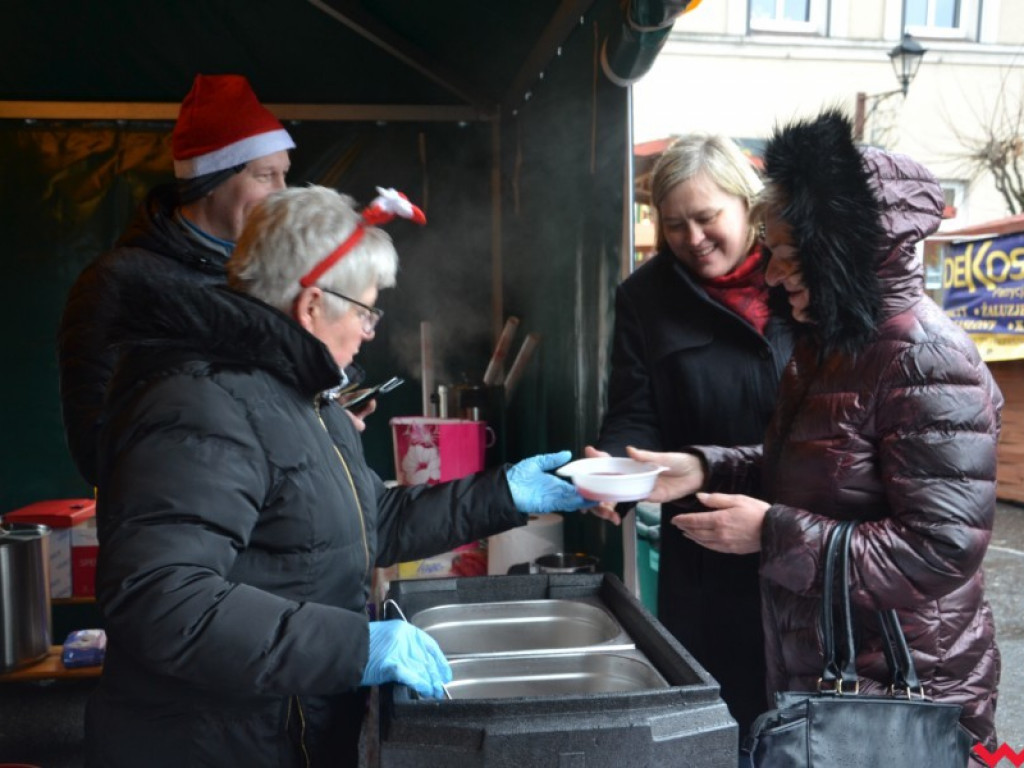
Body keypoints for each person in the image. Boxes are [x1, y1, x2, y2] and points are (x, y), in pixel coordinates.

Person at [82, 184, 593, 768]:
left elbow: (370, 523)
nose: (371, 330)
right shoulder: (201, 402)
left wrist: (503, 492)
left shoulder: (305, 398)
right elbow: (162, 599)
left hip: (286, 725)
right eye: (367, 310)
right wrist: (352, 647)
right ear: (312, 306)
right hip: (213, 742)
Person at [625, 109, 1002, 757]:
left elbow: (941, 549)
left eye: (788, 257)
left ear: (842, 253)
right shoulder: (833, 341)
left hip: (900, 688)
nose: (770, 274)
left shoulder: (927, 358)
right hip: (842, 671)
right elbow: (816, 464)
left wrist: (771, 532)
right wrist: (705, 467)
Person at [588, 134, 795, 736]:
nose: (693, 239)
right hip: (704, 543)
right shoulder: (644, 298)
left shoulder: (802, 280)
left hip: (802, 529)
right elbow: (634, 409)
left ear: (747, 206)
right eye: (674, 224)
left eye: (707, 218)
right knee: (720, 719)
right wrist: (616, 474)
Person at [58, 73, 302, 488]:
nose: (283, 193)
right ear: (211, 180)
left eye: (284, 174)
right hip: (182, 533)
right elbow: (98, 447)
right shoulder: (117, 282)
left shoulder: (271, 279)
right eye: (265, 176)